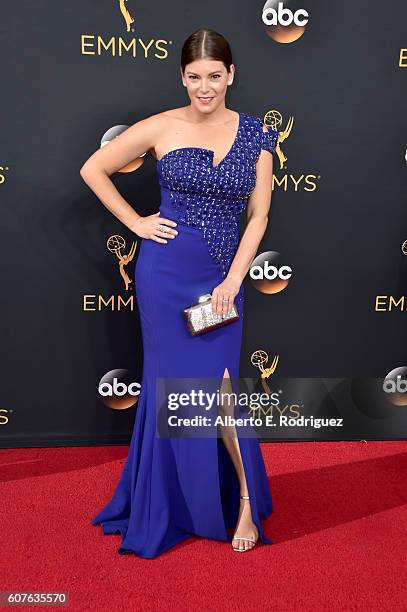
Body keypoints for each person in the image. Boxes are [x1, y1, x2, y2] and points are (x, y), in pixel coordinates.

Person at [80, 28, 278, 558]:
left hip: (223, 278)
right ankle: (169, 502)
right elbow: (93, 169)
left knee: (221, 392)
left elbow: (258, 217)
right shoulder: (162, 125)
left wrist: (235, 281)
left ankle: (240, 502)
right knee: (174, 389)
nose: (205, 87)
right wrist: (136, 223)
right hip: (164, 278)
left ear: (231, 75)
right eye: (195, 77)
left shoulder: (258, 134)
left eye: (215, 76)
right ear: (182, 77)